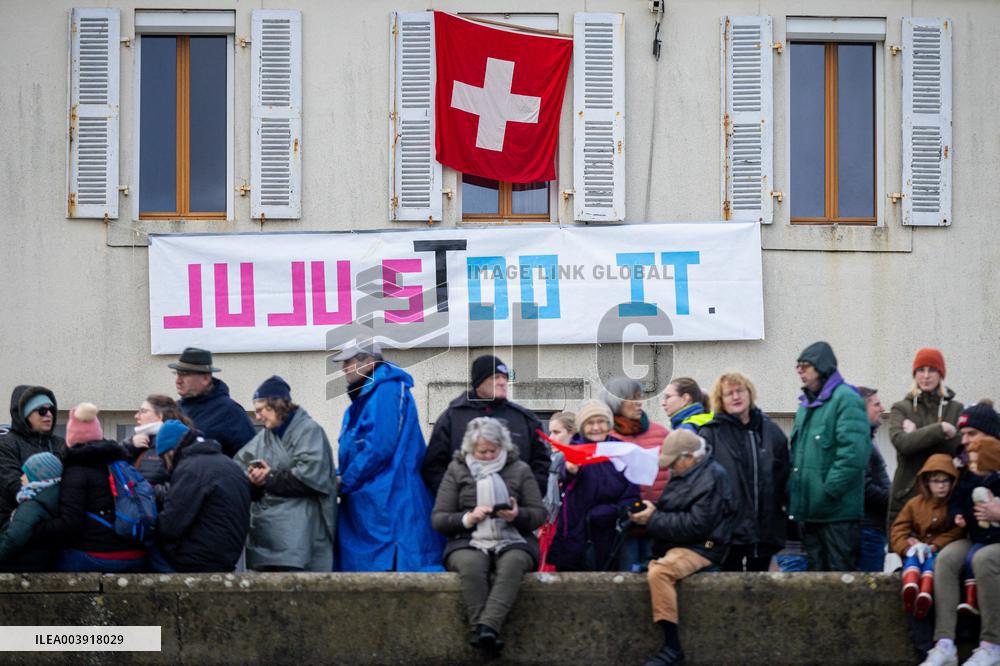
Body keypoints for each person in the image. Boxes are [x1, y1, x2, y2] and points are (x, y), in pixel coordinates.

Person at [431, 417, 546, 658]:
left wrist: (516, 515)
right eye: (482, 451)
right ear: (471, 449)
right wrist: (468, 518)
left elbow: (539, 514)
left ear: (503, 447)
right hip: (468, 539)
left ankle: (485, 628)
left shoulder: (520, 469)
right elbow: (439, 518)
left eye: (493, 451)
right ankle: (485, 632)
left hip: (514, 537)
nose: (487, 456)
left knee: (513, 563)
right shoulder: (457, 470)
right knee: (472, 566)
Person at [334, 342, 443, 572]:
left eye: (349, 361)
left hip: (389, 502)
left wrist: (344, 480)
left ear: (369, 363)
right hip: (377, 501)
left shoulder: (385, 390)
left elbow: (379, 447)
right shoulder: (371, 394)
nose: (343, 368)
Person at [631, 429, 735, 666]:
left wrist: (652, 519)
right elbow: (680, 511)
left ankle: (673, 647)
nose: (668, 469)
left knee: (660, 572)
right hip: (685, 543)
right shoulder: (690, 471)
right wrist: (652, 509)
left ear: (688, 457)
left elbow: (697, 526)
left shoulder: (712, 477)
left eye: (672, 463)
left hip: (706, 546)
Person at [235, 377, 337, 571]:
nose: (257, 417)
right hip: (265, 532)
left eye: (260, 410)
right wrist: (253, 479)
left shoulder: (309, 431)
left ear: (278, 406)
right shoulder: (264, 436)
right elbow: (239, 468)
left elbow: (313, 476)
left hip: (301, 531)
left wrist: (269, 477)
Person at [34, 403, 146, 572]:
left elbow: (69, 523)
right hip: (137, 554)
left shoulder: (76, 470)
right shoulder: (119, 463)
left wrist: (35, 529)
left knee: (44, 566)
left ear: (71, 438)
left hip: (99, 556)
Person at [788, 341, 870, 571]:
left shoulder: (846, 399)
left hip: (838, 515)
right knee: (816, 584)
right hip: (811, 514)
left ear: (822, 367)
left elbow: (853, 454)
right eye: (798, 367)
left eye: (805, 366)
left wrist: (827, 491)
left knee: (841, 581)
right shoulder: (806, 404)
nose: (799, 372)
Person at [921, 435, 1000, 666]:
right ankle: (945, 643)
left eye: (977, 460)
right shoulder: (969, 477)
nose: (971, 464)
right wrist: (960, 516)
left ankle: (992, 644)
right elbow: (960, 500)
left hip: (995, 541)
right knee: (945, 559)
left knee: (984, 559)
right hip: (977, 536)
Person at [422, 355, 550, 497]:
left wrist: (527, 498)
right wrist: (456, 499)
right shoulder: (452, 418)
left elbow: (541, 465)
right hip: (464, 512)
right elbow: (433, 466)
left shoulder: (524, 419)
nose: (502, 382)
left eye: (504, 377)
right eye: (495, 377)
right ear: (479, 382)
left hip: (516, 511)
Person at [700, 372, 788, 572]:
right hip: (727, 531)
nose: (736, 396)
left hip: (765, 528)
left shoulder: (770, 430)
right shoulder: (711, 433)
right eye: (728, 393)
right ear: (720, 400)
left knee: (760, 588)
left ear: (750, 393)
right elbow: (704, 483)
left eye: (740, 391)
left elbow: (784, 474)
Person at [546, 400, 640, 572]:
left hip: (612, 530)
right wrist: (570, 470)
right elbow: (565, 476)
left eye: (601, 421)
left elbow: (632, 491)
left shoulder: (620, 451)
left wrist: (615, 511)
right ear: (582, 426)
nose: (596, 427)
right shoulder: (575, 448)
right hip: (576, 529)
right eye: (590, 423)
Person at [149, 420, 251, 572]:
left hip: (197, 559)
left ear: (170, 452)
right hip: (228, 557)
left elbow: (171, 524)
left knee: (144, 550)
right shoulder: (228, 464)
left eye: (163, 459)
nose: (165, 467)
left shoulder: (190, 468)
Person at [890, 454, 962, 655]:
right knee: (913, 592)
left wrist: (934, 546)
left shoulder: (955, 505)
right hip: (916, 558)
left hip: (941, 559)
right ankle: (923, 648)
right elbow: (898, 529)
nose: (940, 486)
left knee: (932, 587)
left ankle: (939, 646)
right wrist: (907, 546)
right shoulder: (914, 504)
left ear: (952, 481)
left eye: (945, 480)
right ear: (926, 482)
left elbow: (957, 531)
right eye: (935, 481)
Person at [888, 348, 963, 529]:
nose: (926, 376)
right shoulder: (901, 408)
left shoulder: (955, 409)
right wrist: (941, 429)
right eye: (921, 370)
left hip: (944, 499)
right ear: (915, 374)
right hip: (907, 495)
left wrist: (917, 435)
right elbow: (902, 444)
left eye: (932, 370)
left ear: (941, 374)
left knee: (942, 554)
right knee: (906, 553)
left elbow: (959, 448)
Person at [602, 376, 670, 572]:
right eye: (632, 398)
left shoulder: (661, 433)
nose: (639, 402)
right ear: (616, 401)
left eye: (639, 397)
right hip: (623, 526)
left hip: (659, 522)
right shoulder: (606, 438)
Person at [170, 347, 256, 457]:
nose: (178, 381)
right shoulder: (175, 409)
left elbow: (249, 457)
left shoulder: (230, 411)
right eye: (177, 373)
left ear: (205, 378)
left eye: (185, 374)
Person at [0, 385, 65, 527]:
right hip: (17, 528)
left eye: (51, 409)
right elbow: (14, 485)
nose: (49, 414)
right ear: (25, 415)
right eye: (42, 410)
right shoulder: (6, 444)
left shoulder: (60, 444)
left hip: (56, 527)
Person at [0, 453, 63, 572]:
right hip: (40, 559)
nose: (21, 477)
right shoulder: (52, 495)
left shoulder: (32, 504)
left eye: (26, 474)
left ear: (37, 477)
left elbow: (14, 538)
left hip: (24, 562)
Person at [122, 395, 187, 492]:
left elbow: (184, 487)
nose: (136, 416)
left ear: (160, 416)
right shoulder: (137, 442)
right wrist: (129, 445)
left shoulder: (178, 443)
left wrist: (146, 492)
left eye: (143, 411)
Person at [859, 386, 891, 572]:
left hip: (871, 530)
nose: (882, 408)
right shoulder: (860, 441)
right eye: (877, 404)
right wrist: (893, 499)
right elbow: (863, 487)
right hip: (867, 531)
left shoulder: (866, 439)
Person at [538, 411, 575, 572]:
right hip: (550, 525)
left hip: (564, 525)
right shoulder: (552, 460)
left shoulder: (569, 460)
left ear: (572, 433)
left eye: (556, 432)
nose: (551, 438)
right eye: (550, 432)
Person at [956, 401, 1000, 468]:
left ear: (992, 436)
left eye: (972, 434)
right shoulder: (957, 467)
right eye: (962, 434)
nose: (964, 441)